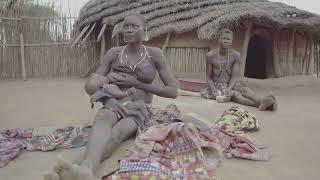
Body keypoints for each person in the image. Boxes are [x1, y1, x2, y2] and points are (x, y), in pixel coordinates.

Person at [44, 14, 178, 180]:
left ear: (144, 30)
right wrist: (109, 100)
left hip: (139, 107)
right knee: (103, 115)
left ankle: (74, 168)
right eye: (126, 26)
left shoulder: (154, 54)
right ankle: (84, 170)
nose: (128, 29)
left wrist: (136, 84)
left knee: (117, 133)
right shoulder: (113, 53)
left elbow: (173, 91)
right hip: (115, 102)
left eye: (133, 26)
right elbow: (94, 83)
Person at [200, 28, 277, 111]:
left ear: (231, 41)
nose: (226, 40)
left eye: (228, 39)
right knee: (237, 96)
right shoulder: (210, 56)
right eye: (223, 38)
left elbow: (234, 76)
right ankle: (266, 104)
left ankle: (261, 100)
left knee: (242, 88)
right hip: (216, 86)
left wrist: (229, 88)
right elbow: (209, 77)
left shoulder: (235, 55)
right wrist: (214, 89)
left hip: (231, 84)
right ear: (218, 39)